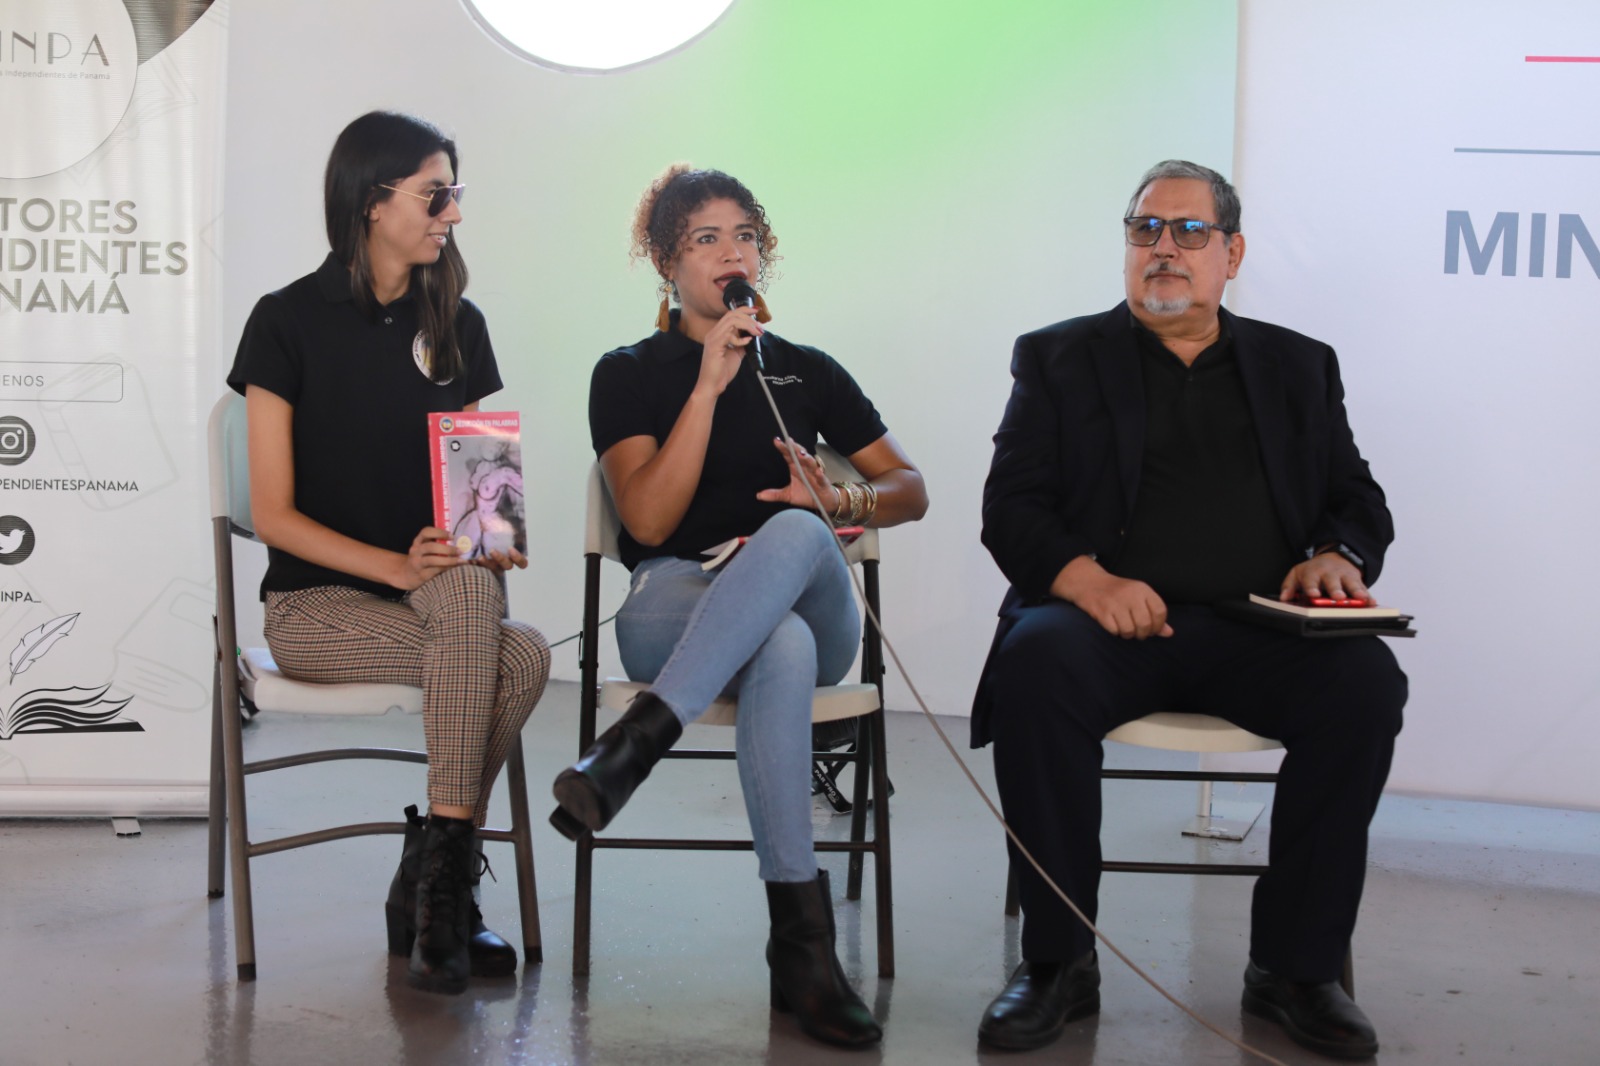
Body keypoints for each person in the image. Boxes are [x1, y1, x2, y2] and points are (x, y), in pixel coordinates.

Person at [972, 160, 1407, 1060]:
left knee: (1365, 683)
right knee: (1035, 663)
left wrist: (1339, 555)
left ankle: (1295, 969)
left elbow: (1358, 499)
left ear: (1231, 254)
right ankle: (1059, 962)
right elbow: (1011, 507)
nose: (1164, 248)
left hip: (1259, 630)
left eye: (1189, 231)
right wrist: (1090, 581)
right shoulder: (1057, 358)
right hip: (1106, 628)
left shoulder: (1297, 365)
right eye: (1146, 229)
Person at [549, 165, 928, 1048]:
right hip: (676, 597)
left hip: (809, 587)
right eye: (706, 239)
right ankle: (803, 951)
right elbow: (648, 520)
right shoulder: (627, 373)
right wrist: (708, 387)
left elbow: (910, 488)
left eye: (746, 236)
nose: (732, 253)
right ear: (665, 262)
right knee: (779, 646)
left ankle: (633, 747)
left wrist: (838, 501)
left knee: (791, 536)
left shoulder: (807, 370)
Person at [226, 111, 550, 996]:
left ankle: (433, 886)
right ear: (372, 203)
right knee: (518, 659)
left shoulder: (460, 322)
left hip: (436, 597)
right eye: (435, 194)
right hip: (315, 606)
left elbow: (475, 485)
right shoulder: (285, 321)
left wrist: (491, 537)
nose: (454, 213)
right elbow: (273, 515)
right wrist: (396, 568)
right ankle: (440, 888)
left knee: (481, 605)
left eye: (456, 193)